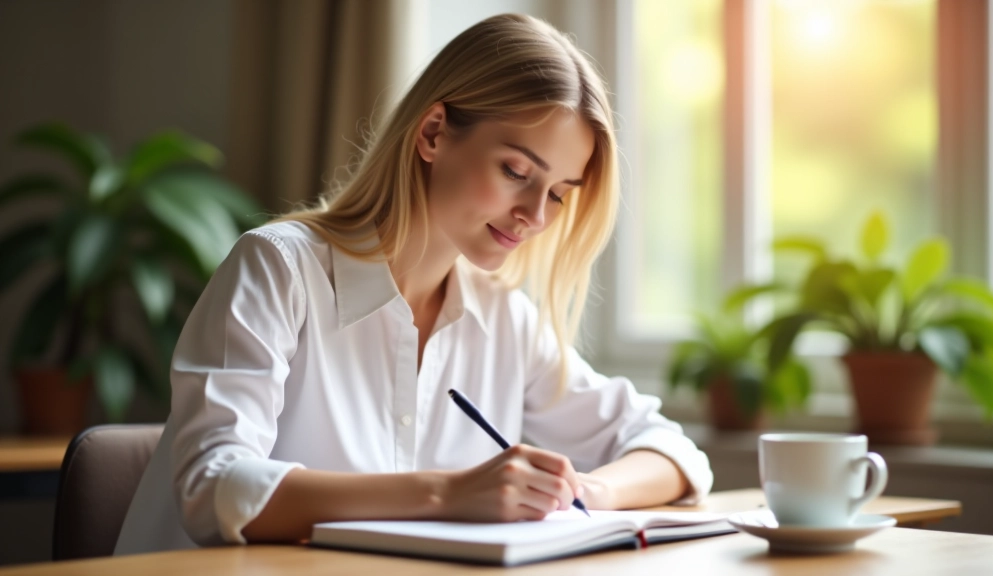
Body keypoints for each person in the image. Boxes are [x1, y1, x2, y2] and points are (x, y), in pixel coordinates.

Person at [115, 13, 712, 555]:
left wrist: (585, 492)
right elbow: (212, 486)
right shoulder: (278, 269)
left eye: (558, 192)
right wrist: (446, 494)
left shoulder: (502, 317)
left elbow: (673, 450)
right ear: (432, 133)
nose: (536, 213)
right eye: (516, 172)